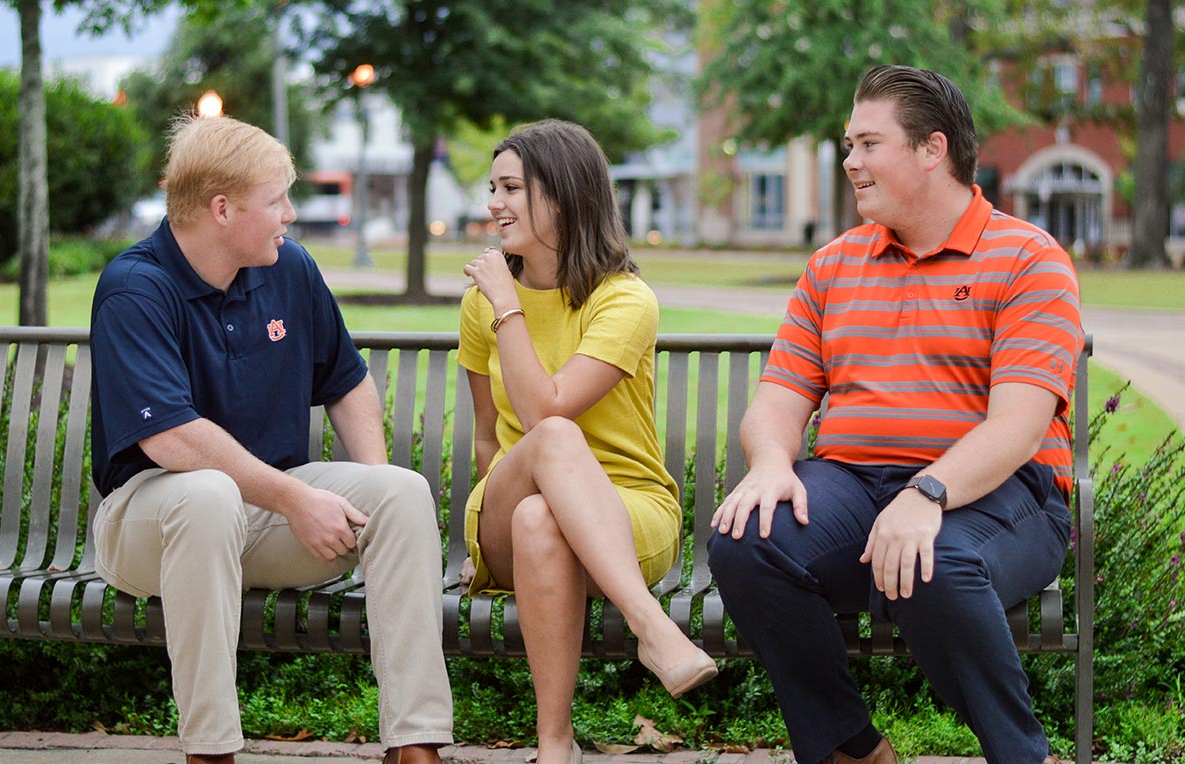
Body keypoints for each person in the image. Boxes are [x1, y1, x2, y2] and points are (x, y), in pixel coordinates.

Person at [707, 65, 1084, 764]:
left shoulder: (1030, 260)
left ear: (931, 151)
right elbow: (778, 399)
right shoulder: (833, 266)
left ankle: (1021, 756)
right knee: (745, 539)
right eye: (849, 145)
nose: (850, 161)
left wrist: (927, 492)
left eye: (867, 144)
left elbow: (1019, 426)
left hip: (1005, 496)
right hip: (854, 484)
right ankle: (850, 748)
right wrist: (767, 465)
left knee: (936, 556)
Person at [89, 115, 454, 764]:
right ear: (222, 209)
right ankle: (212, 752)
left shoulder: (290, 269)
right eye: (277, 198)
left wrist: (366, 498)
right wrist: (294, 499)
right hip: (151, 522)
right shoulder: (134, 287)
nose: (291, 214)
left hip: (264, 516)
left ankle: (416, 745)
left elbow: (347, 383)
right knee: (204, 497)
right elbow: (172, 441)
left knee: (399, 490)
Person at [457, 119, 718, 764]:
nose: (494, 203)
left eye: (511, 187)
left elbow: (549, 404)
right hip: (504, 516)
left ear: (563, 196)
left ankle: (554, 745)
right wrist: (504, 303)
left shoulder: (626, 300)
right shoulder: (486, 301)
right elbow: (493, 435)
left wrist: (506, 306)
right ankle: (651, 626)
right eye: (494, 187)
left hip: (627, 511)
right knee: (547, 449)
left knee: (544, 509)